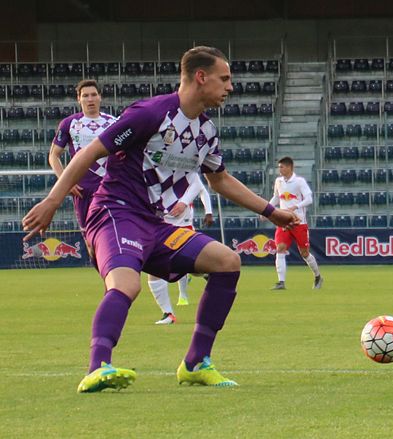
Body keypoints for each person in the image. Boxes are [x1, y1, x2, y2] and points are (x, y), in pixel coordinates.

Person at [22, 46, 299, 393]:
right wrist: (52, 200)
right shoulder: (150, 113)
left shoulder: (206, 131)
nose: (230, 87)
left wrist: (271, 212)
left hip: (157, 224)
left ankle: (196, 363)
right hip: (115, 212)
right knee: (127, 285)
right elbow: (91, 153)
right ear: (201, 77)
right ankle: (97, 367)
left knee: (227, 261)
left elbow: (219, 180)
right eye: (224, 78)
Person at [48, 79, 116, 257]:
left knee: (112, 236)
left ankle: (113, 279)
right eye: (85, 95)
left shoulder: (114, 123)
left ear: (100, 97)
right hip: (82, 190)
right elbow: (53, 156)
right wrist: (66, 182)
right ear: (79, 99)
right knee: (90, 242)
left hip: (109, 188)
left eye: (94, 94)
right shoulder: (70, 124)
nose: (90, 99)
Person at [148, 172, 214, 325]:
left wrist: (207, 211)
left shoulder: (185, 169)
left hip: (183, 225)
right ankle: (168, 313)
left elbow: (201, 188)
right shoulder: (150, 169)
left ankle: (208, 275)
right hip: (160, 225)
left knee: (189, 265)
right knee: (153, 267)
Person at [268, 156, 322, 290]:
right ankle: (281, 282)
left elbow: (309, 199)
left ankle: (318, 276)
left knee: (305, 253)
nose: (279, 169)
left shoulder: (299, 182)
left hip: (299, 223)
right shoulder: (278, 181)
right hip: (283, 222)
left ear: (290, 167)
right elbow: (276, 197)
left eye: (282, 167)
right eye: (279, 167)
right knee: (280, 248)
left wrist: (296, 206)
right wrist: (266, 209)